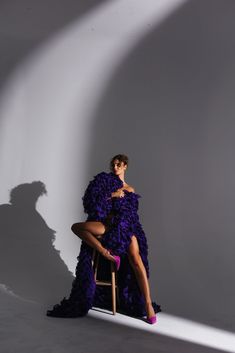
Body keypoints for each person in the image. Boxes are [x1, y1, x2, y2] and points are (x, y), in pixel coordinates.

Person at [47, 154, 161, 324]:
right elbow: (92, 201)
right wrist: (112, 195)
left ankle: (147, 304)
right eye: (113, 164)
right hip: (107, 225)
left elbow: (131, 210)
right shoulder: (104, 181)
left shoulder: (130, 188)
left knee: (136, 260)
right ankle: (106, 253)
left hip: (125, 227)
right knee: (77, 227)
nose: (115, 167)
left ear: (125, 166)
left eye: (118, 165)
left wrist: (120, 197)